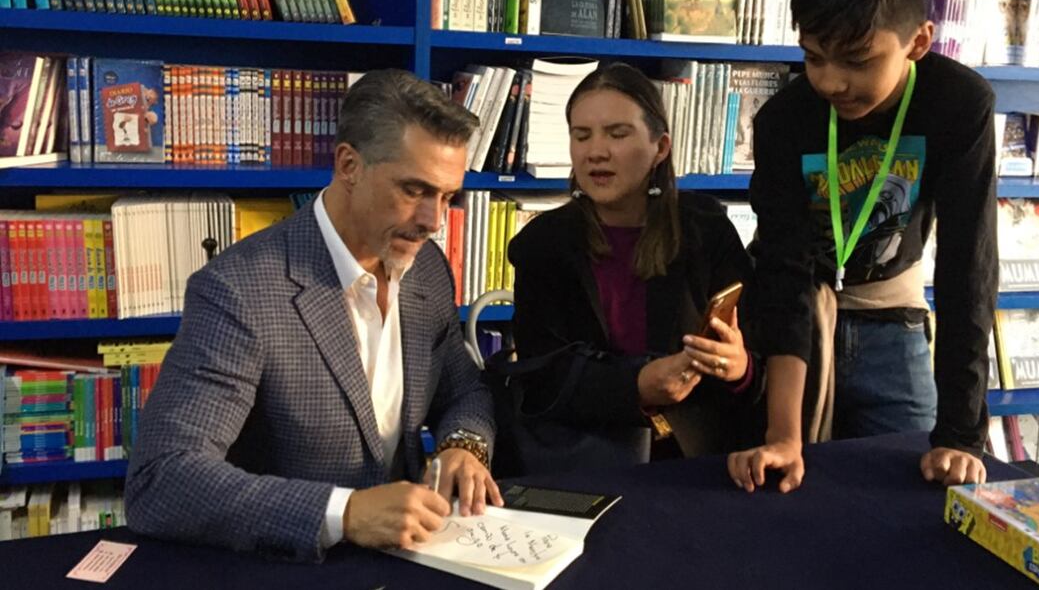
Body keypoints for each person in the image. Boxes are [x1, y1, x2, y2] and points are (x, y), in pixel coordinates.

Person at [125, 69, 503, 562]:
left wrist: (463, 446)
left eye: (449, 196)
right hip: (289, 564)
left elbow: (463, 389)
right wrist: (343, 513)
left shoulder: (425, 266)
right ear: (349, 164)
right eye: (414, 190)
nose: (435, 221)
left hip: (410, 556)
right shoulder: (240, 291)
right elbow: (161, 478)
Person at [731, 0, 997, 494]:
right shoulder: (784, 119)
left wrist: (960, 434)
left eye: (856, 60)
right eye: (813, 57)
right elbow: (785, 270)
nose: (831, 80)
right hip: (797, 333)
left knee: (917, 496)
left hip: (894, 323)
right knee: (783, 493)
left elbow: (967, 269)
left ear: (919, 42)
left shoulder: (958, 105)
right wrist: (783, 433)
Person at [502, 62, 762, 477]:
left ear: (660, 147)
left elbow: (759, 358)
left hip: (698, 462)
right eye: (581, 135)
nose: (595, 151)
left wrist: (739, 368)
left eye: (617, 134)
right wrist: (636, 383)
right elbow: (543, 377)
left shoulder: (705, 229)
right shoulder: (543, 244)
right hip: (586, 462)